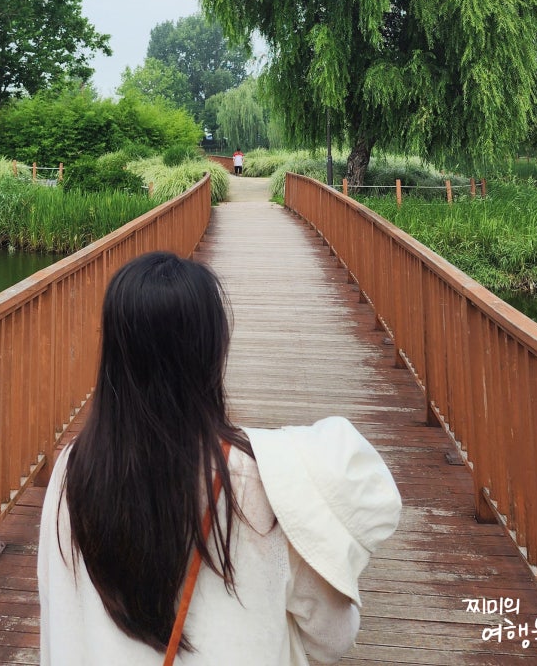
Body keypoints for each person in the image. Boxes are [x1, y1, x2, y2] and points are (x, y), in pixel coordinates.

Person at [37, 251, 401, 665]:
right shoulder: (259, 482)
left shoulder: (72, 471)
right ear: (212, 351)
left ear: (114, 356)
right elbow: (331, 638)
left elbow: (57, 612)